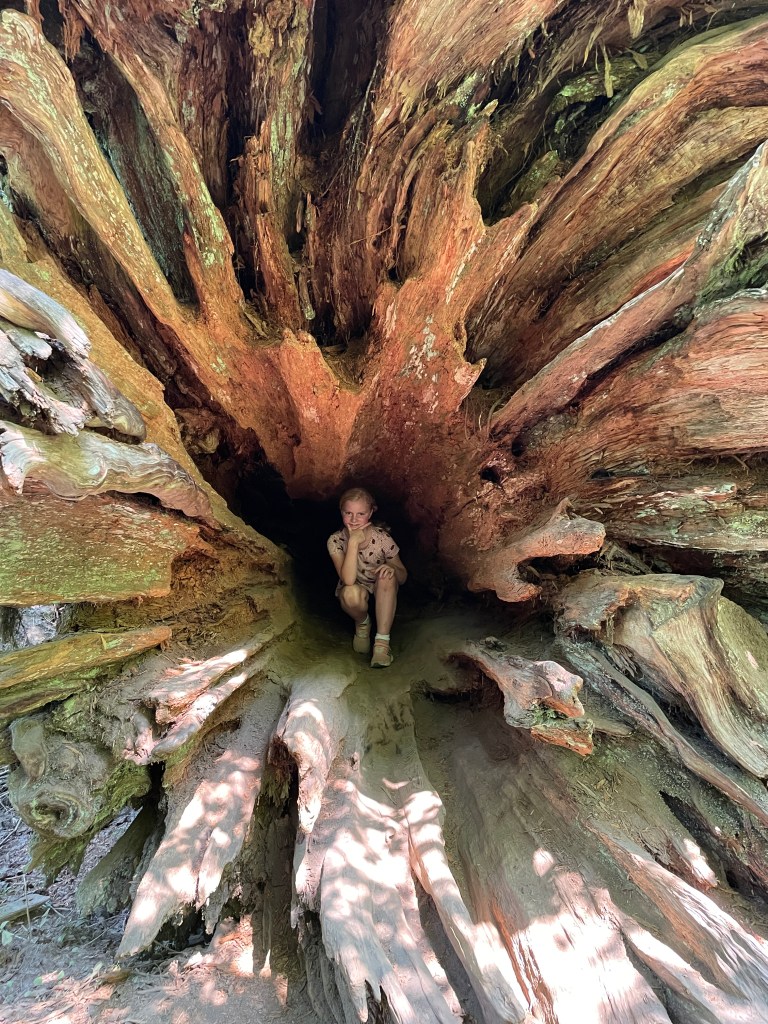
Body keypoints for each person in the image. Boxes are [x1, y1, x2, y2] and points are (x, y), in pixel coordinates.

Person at [327, 487, 407, 667]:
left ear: (370, 513)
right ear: (341, 511)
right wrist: (353, 542)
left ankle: (382, 643)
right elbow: (348, 580)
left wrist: (392, 568)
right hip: (356, 587)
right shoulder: (335, 540)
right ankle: (363, 623)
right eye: (348, 513)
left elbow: (403, 577)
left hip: (382, 586)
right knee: (349, 593)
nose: (354, 519)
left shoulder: (382, 539)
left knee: (387, 577)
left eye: (361, 514)